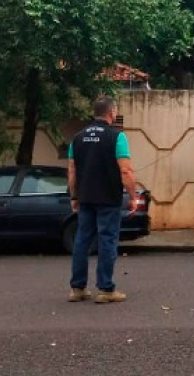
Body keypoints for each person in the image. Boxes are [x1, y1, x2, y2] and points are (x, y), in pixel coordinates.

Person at [67, 96, 137, 304]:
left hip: (86, 198)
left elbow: (72, 172)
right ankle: (105, 289)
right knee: (107, 240)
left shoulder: (77, 138)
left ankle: (77, 288)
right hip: (108, 198)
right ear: (112, 112)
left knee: (82, 240)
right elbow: (125, 170)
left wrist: (74, 196)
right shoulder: (117, 137)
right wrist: (133, 197)